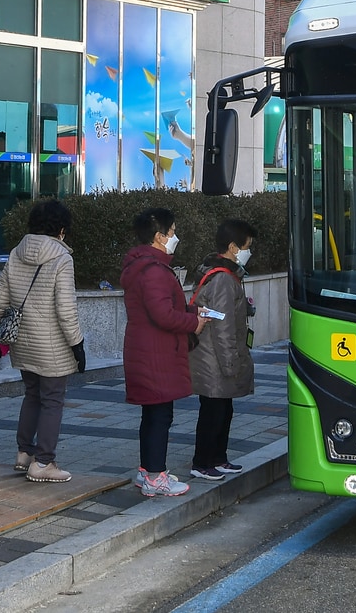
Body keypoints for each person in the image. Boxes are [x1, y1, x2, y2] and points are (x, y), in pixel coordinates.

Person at [0, 200, 86, 483]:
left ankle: (24, 453)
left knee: (32, 394)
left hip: (22, 340)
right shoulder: (62, 258)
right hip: (52, 345)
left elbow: (0, 299)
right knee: (52, 399)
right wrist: (77, 344)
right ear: (61, 230)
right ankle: (43, 462)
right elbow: (65, 309)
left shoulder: (15, 253)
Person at [121, 208, 209, 497]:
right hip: (156, 353)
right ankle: (155, 476)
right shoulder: (154, 271)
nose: (175, 237)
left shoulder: (143, 266)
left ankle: (148, 470)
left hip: (149, 350)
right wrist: (193, 323)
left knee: (154, 415)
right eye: (172, 232)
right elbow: (163, 314)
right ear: (159, 237)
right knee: (159, 416)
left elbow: (163, 308)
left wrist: (193, 312)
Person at [188, 219, 258, 481]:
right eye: (246, 247)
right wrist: (231, 364)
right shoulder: (223, 280)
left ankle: (218, 458)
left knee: (223, 410)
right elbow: (223, 327)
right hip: (214, 359)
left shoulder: (225, 274)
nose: (249, 252)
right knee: (213, 412)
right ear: (232, 247)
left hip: (215, 357)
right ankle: (202, 462)